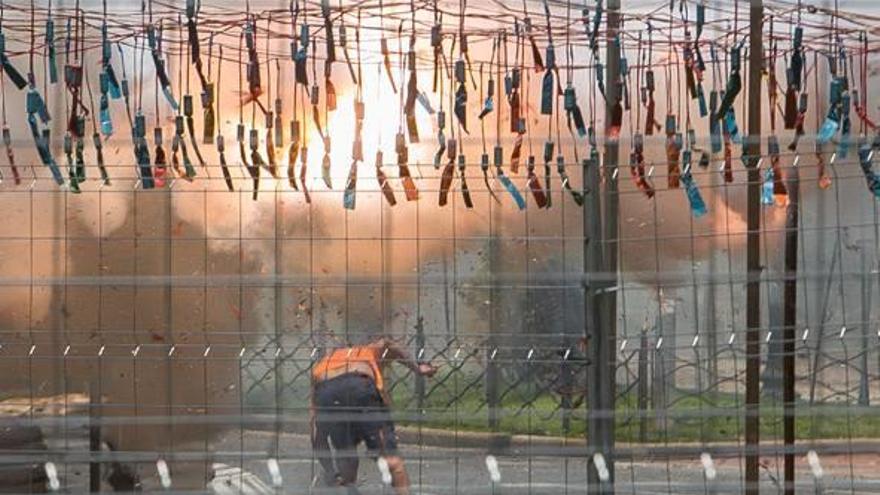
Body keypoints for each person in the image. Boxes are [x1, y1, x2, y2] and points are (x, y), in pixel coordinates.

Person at [311, 336, 437, 494]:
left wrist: (330, 471)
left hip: (328, 392)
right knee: (392, 461)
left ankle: (350, 487)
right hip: (359, 383)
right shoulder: (367, 350)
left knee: (346, 454)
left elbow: (317, 436)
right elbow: (388, 343)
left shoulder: (323, 365)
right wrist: (418, 368)